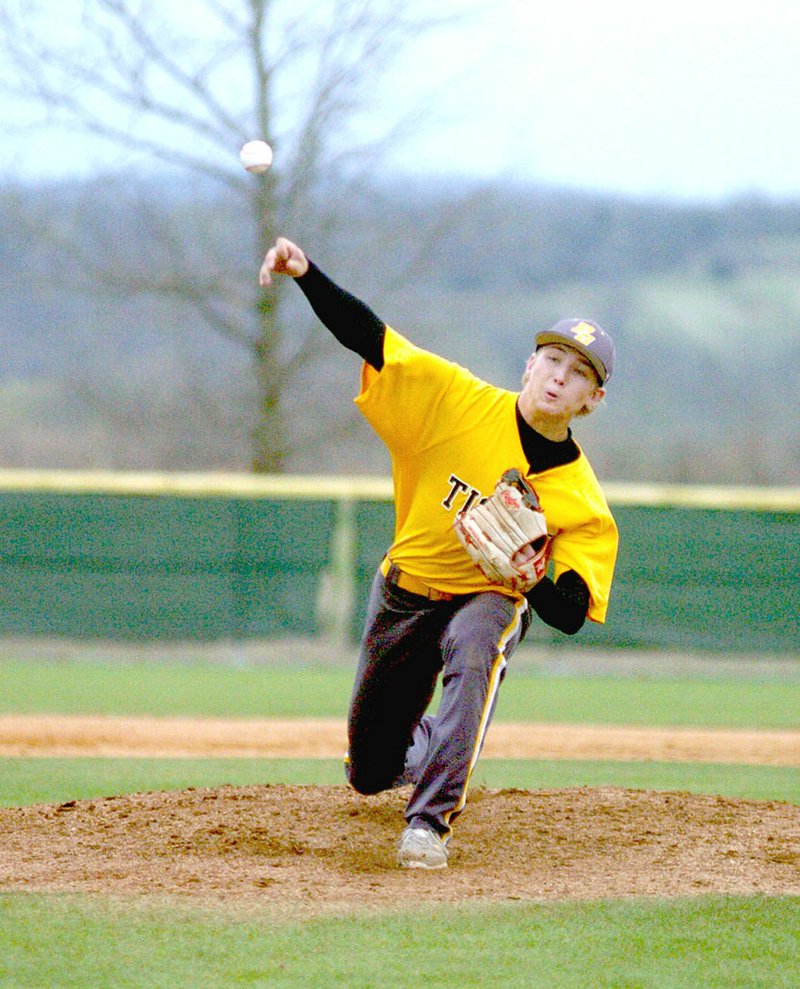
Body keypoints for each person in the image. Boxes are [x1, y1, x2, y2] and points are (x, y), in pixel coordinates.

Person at [260, 237, 619, 870]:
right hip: (404, 592)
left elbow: (566, 612)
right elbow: (371, 339)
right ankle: (435, 745)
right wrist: (305, 273)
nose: (562, 376)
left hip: (486, 598)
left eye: (580, 372)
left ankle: (429, 825)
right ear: (529, 367)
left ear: (592, 399)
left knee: (482, 638)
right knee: (370, 772)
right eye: (553, 360)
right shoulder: (455, 401)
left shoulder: (582, 501)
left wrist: (529, 578)